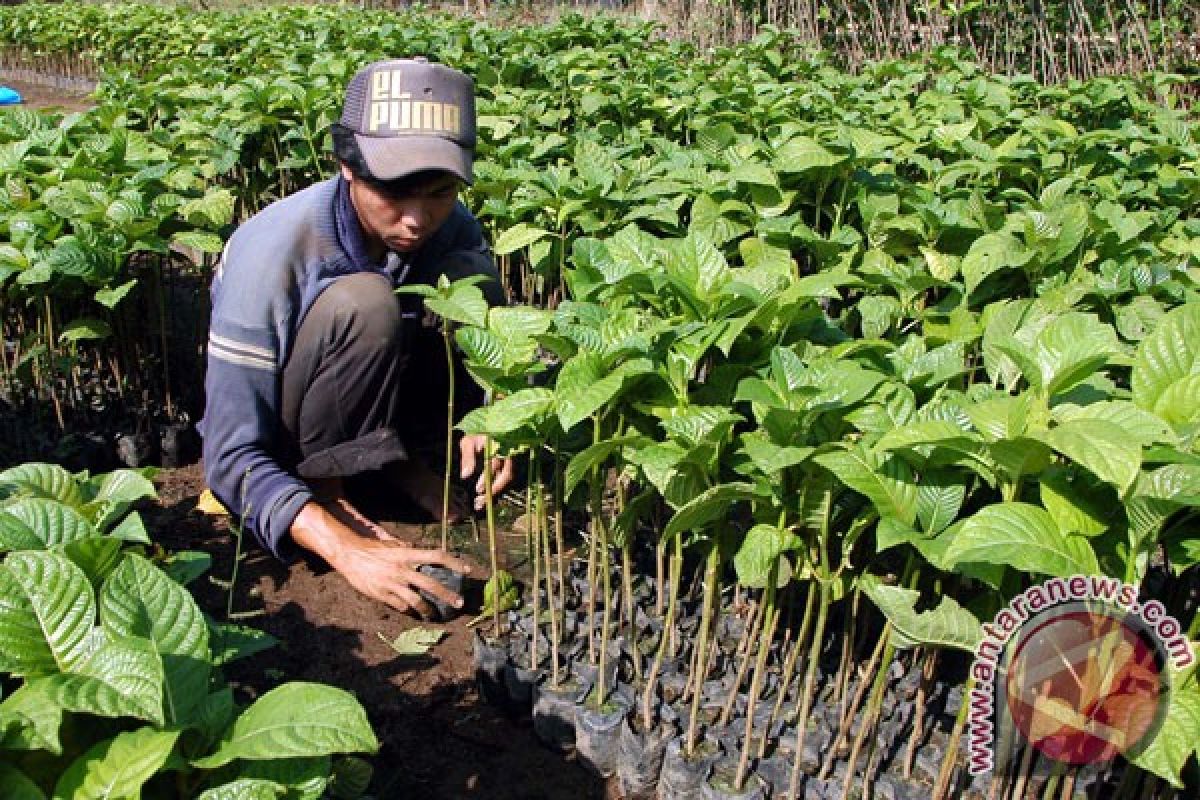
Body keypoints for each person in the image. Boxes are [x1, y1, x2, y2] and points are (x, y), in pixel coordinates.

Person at [202, 58, 513, 617]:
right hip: (282, 426)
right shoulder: (270, 255)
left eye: (440, 193)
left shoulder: (452, 227)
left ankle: (385, 460)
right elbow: (227, 454)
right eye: (395, 190)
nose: (418, 219)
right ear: (347, 166)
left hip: (368, 392)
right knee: (365, 301)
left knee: (473, 277)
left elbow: (490, 332)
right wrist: (344, 548)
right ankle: (329, 491)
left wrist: (496, 415)